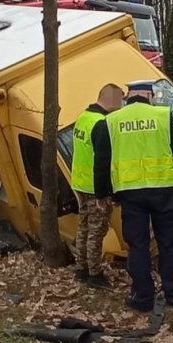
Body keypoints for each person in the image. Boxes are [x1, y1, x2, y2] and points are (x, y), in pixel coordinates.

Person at [92, 80, 173, 312]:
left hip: (130, 194)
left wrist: (102, 193)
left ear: (129, 95)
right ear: (148, 95)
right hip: (163, 190)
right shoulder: (162, 116)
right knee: (169, 243)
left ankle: (142, 297)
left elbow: (101, 161)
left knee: (137, 246)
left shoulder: (110, 121)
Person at [70, 83, 125, 289]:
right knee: (97, 231)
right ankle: (95, 274)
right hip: (95, 188)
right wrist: (104, 193)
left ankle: (82, 268)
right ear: (112, 100)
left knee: (83, 227)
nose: (120, 105)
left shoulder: (83, 117)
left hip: (80, 183)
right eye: (120, 100)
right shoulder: (101, 124)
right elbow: (102, 162)